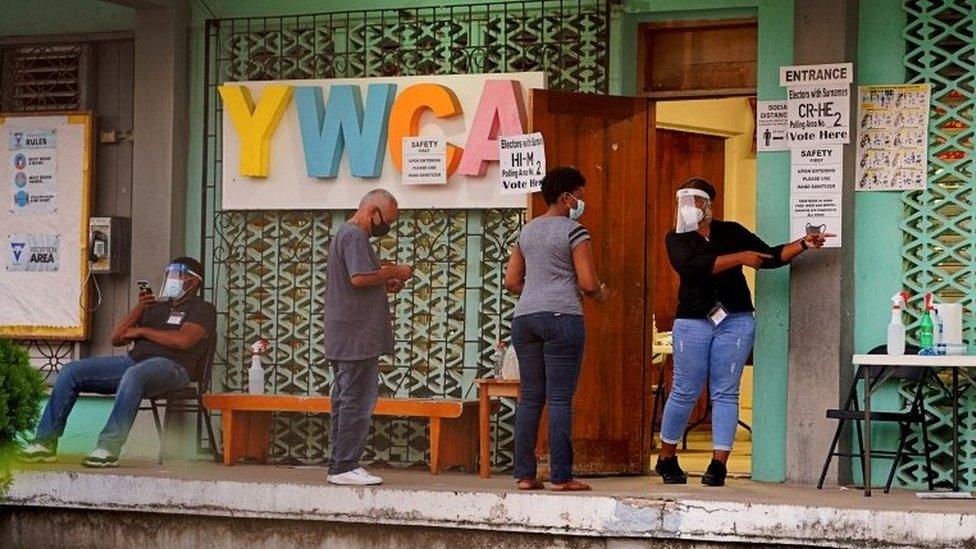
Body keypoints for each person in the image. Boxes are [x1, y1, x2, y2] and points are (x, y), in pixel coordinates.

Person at [655, 177, 832, 487]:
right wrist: (739, 258)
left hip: (735, 319)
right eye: (684, 200)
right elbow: (692, 267)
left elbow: (770, 257)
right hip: (693, 320)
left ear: (709, 205)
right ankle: (667, 456)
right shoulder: (676, 239)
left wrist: (803, 243)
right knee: (685, 388)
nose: (689, 207)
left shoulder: (731, 231)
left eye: (696, 201)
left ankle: (718, 463)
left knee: (726, 389)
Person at [21, 257, 216, 468]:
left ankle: (108, 447)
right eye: (169, 275)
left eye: (178, 275)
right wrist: (139, 309)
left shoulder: (202, 309)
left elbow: (184, 340)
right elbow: (116, 338)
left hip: (173, 367)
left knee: (135, 375)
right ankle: (44, 443)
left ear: (194, 281)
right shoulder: (155, 307)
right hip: (133, 361)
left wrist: (142, 331)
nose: (172, 280)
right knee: (70, 371)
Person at [504, 166, 609, 492]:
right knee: (560, 399)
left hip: (525, 319)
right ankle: (561, 477)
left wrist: (538, 290)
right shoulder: (574, 231)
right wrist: (601, 293)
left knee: (531, 398)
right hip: (562, 317)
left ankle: (524, 475)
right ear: (566, 198)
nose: (581, 201)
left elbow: (511, 282)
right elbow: (588, 282)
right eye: (579, 195)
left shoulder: (528, 231)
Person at [324, 189, 412, 485]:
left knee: (346, 398)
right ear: (372, 211)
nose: (386, 227)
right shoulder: (355, 236)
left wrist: (385, 284)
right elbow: (359, 277)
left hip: (349, 334)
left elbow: (358, 282)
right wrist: (392, 271)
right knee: (356, 400)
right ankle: (345, 465)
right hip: (355, 335)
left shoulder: (346, 236)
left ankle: (340, 463)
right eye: (386, 220)